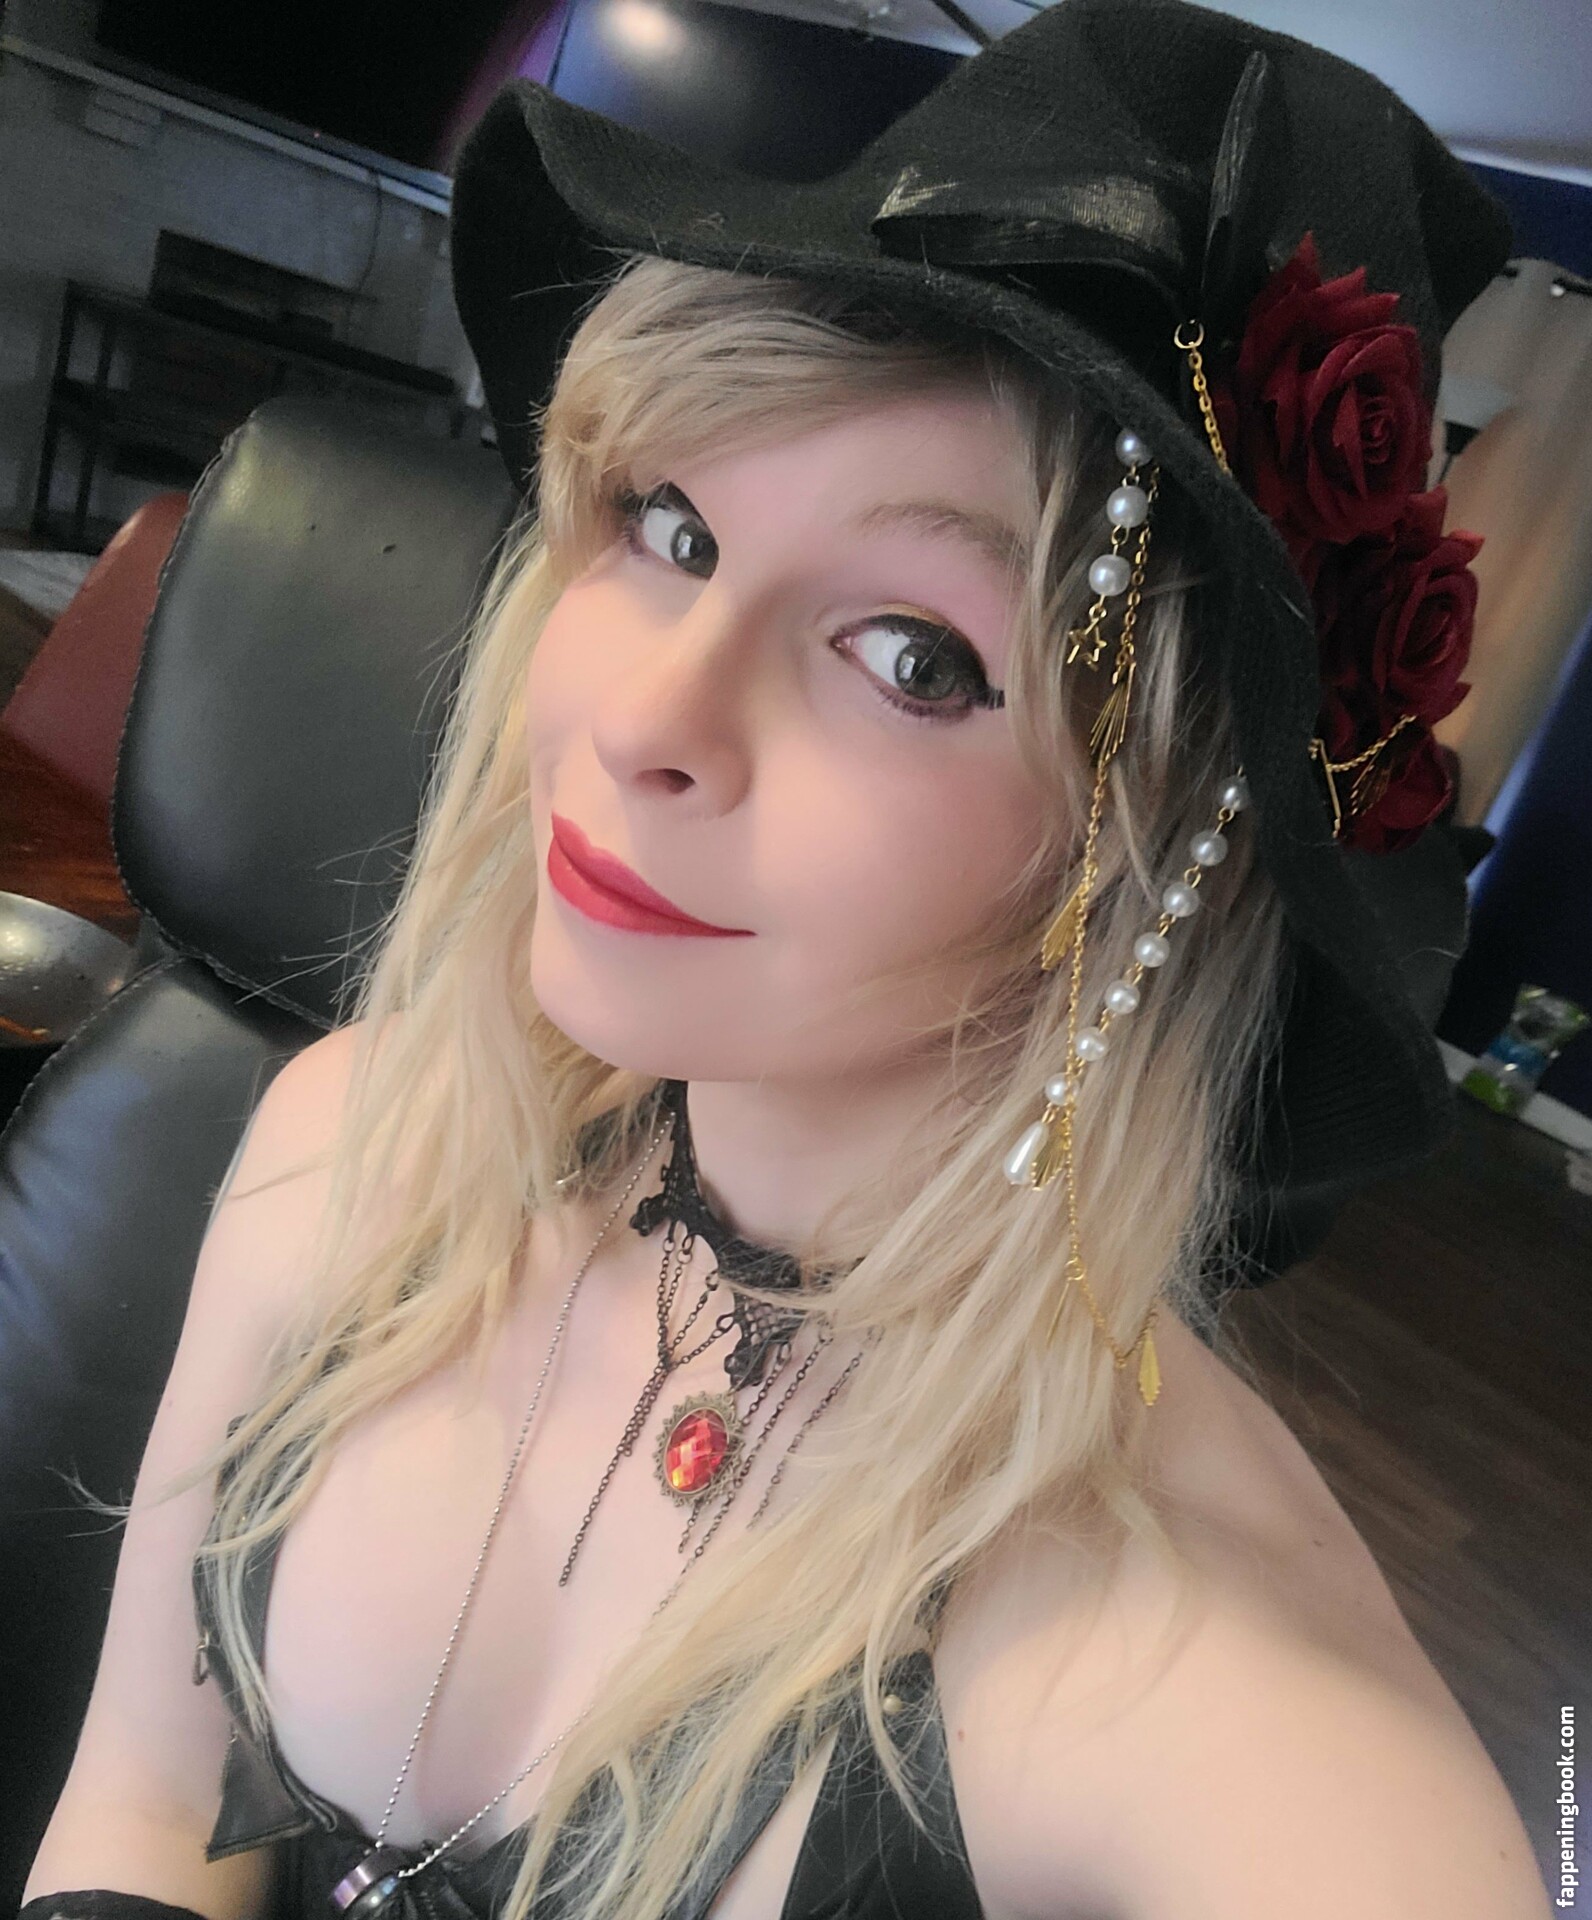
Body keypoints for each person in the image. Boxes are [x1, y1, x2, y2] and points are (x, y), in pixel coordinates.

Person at [20, 3, 1553, 1918]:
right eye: (671, 528)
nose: (648, 716)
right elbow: (143, 1801)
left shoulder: (1231, 1715)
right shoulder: (357, 1141)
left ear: (1152, 860)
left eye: (915, 656)